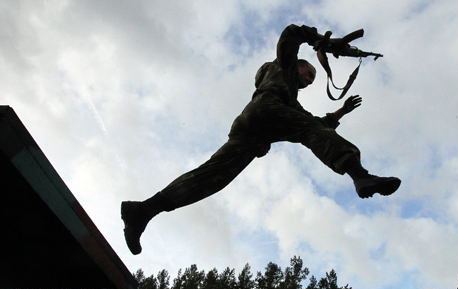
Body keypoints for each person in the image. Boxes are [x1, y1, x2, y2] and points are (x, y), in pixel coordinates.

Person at [121, 24, 401, 255]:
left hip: (250, 131)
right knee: (307, 132)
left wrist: (341, 111)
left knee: (211, 177)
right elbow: (291, 33)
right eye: (310, 73)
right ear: (299, 66)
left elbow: (316, 125)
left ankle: (143, 210)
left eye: (313, 77)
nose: (311, 79)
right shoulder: (285, 66)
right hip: (265, 111)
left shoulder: (291, 102)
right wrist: (321, 42)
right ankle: (360, 176)